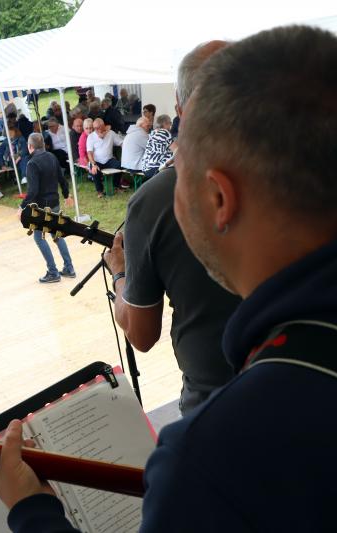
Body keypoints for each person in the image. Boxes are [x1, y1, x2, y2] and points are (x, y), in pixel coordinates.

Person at [0, 26, 337, 532]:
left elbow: (142, 335)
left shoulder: (212, 460)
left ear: (220, 198)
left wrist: (32, 510)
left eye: (180, 168)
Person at [102, 41, 240, 417]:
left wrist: (120, 273)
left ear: (179, 107)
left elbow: (142, 335)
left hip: (216, 408)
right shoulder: (298, 172)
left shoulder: (157, 200)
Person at [18, 133, 75, 283]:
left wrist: (21, 207)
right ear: (43, 144)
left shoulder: (32, 164)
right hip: (54, 203)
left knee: (39, 238)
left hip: (41, 208)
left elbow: (33, 191)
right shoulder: (52, 157)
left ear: (30, 146)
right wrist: (66, 194)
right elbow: (62, 179)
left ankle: (53, 272)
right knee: (57, 235)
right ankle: (69, 268)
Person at [86, 118, 124, 197]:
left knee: (120, 165)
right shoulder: (91, 136)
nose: (97, 129)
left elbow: (121, 143)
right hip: (96, 161)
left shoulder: (111, 133)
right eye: (95, 128)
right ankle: (100, 191)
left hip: (109, 160)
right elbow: (89, 153)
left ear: (104, 126)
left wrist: (125, 153)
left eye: (99, 127)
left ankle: (116, 186)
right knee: (95, 170)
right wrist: (93, 164)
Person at [141, 114, 175, 179]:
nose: (171, 125)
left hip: (146, 168)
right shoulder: (164, 132)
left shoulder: (153, 132)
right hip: (156, 169)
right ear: (165, 123)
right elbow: (176, 150)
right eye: (170, 123)